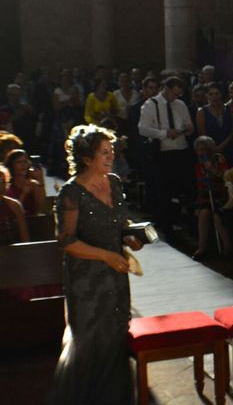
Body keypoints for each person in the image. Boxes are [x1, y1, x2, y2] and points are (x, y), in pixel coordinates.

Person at [49, 124, 143, 404]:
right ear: (86, 158)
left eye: (111, 149)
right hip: (86, 278)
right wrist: (106, 255)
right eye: (104, 152)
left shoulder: (113, 182)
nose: (110, 155)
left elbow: (120, 223)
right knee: (90, 338)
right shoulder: (71, 192)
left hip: (115, 273)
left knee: (116, 332)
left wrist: (130, 239)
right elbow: (66, 242)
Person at [138, 76, 195, 241]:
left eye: (178, 95)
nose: (175, 98)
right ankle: (167, 227)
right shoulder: (151, 105)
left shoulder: (180, 104)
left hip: (181, 149)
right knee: (164, 191)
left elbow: (187, 122)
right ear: (166, 89)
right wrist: (164, 133)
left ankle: (188, 224)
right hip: (163, 153)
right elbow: (143, 129)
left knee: (187, 189)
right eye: (173, 94)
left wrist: (188, 128)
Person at [192, 135, 233, 260]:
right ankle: (201, 248)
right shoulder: (198, 165)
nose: (201, 153)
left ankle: (227, 249)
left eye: (204, 149)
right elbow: (200, 187)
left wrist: (211, 169)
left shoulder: (219, 159)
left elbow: (226, 178)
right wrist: (198, 204)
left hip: (223, 196)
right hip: (208, 197)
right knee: (204, 214)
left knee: (217, 217)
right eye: (199, 150)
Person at [196, 84, 233, 167]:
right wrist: (213, 148)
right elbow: (202, 134)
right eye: (211, 94)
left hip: (229, 148)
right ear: (206, 95)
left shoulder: (229, 109)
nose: (214, 96)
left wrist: (223, 144)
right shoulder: (202, 111)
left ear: (220, 94)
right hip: (211, 151)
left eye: (216, 93)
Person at [4, 149, 46, 216]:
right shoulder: (6, 186)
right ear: (11, 165)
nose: (23, 165)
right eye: (19, 162)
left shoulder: (33, 184)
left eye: (25, 161)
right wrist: (24, 192)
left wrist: (40, 180)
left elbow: (41, 206)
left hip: (32, 221)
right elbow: (11, 212)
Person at [0, 165, 29, 246]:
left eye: (3, 181)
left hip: (13, 252)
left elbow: (25, 238)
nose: (1, 185)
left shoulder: (14, 205)